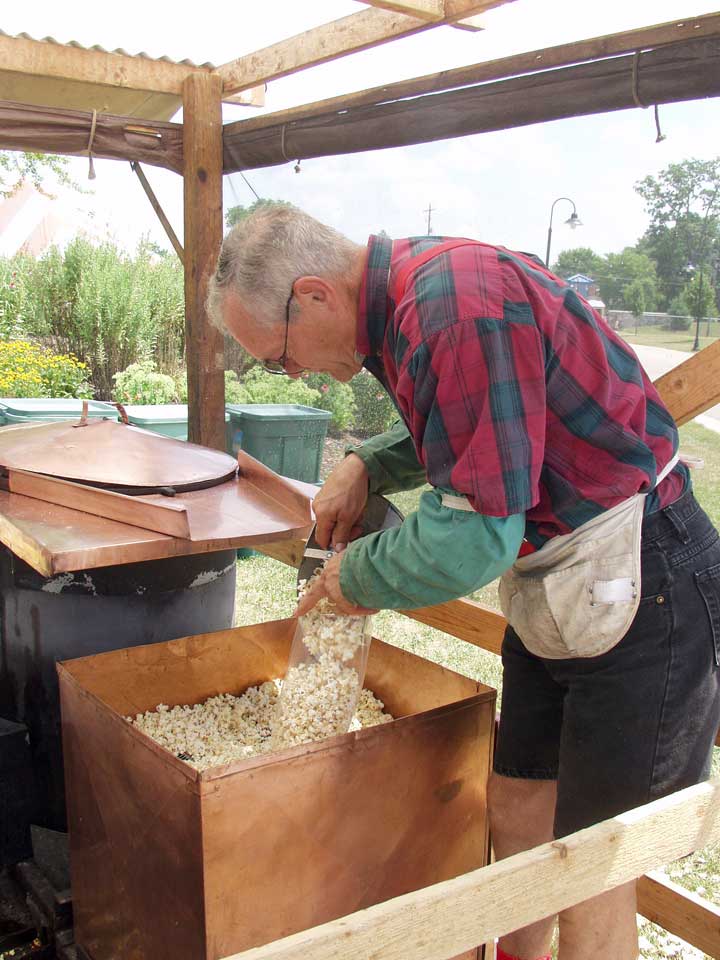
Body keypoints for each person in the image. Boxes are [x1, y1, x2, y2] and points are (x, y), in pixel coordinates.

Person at [208, 204, 720, 960]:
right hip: (565, 582)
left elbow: (476, 537)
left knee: (593, 868)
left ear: (312, 295)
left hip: (644, 579)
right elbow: (478, 418)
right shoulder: (405, 306)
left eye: (277, 355)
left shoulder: (452, 307)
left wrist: (356, 575)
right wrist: (368, 463)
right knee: (517, 806)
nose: (289, 373)